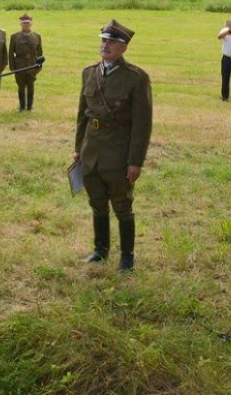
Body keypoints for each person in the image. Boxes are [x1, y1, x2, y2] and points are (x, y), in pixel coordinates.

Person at [74, 20, 153, 272]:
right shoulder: (89, 73)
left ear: (124, 47)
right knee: (96, 201)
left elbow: (142, 124)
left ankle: (127, 258)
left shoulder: (136, 78)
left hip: (118, 153)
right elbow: (82, 115)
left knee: (121, 204)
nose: (105, 45)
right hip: (91, 150)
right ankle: (101, 250)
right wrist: (78, 149)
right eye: (103, 40)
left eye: (112, 42)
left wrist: (135, 161)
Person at [8, 13, 43, 111]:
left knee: (31, 86)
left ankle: (30, 106)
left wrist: (39, 66)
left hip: (32, 64)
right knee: (21, 86)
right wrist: (12, 67)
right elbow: (11, 53)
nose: (26, 25)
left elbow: (40, 53)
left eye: (28, 23)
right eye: (24, 23)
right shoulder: (14, 37)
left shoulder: (36, 36)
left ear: (31, 24)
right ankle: (22, 106)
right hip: (20, 64)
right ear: (21, 24)